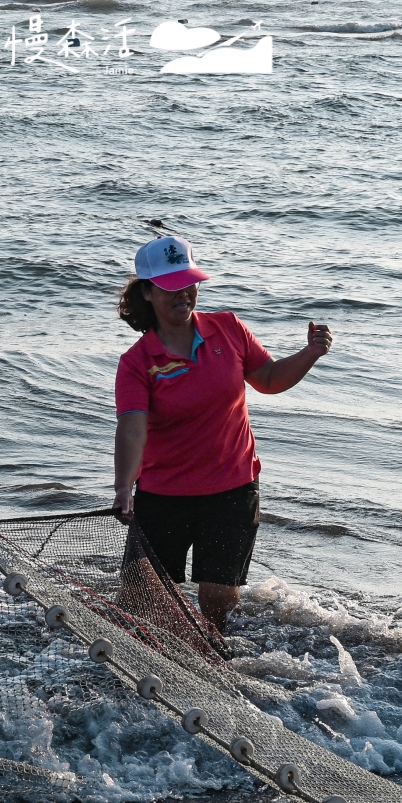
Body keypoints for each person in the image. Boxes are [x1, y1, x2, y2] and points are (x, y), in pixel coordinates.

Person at [113, 235, 333, 634]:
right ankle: (152, 653)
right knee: (140, 598)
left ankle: (210, 653)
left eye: (189, 282)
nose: (183, 293)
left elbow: (267, 379)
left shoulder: (228, 328)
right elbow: (132, 428)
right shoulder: (137, 362)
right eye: (170, 286)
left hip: (232, 489)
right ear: (147, 292)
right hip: (164, 494)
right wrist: (123, 487)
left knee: (217, 597)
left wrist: (309, 355)